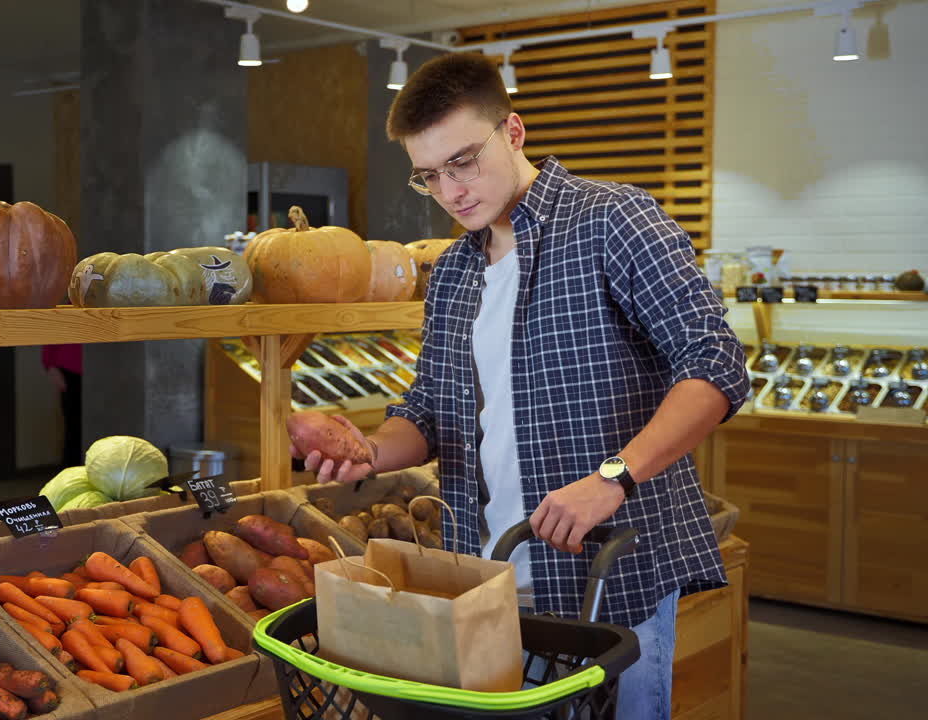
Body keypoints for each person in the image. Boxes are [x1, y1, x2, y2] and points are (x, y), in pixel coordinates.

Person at [294, 53, 749, 719]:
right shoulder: (452, 272)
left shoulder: (613, 220)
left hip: (607, 582)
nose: (452, 190)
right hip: (485, 585)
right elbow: (427, 413)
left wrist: (612, 477)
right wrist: (369, 449)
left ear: (513, 132)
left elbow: (715, 364)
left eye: (464, 161)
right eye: (430, 176)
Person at [41, 343, 83, 467]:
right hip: (71, 369)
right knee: (74, 428)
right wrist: (50, 365)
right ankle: (71, 477)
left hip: (106, 364)